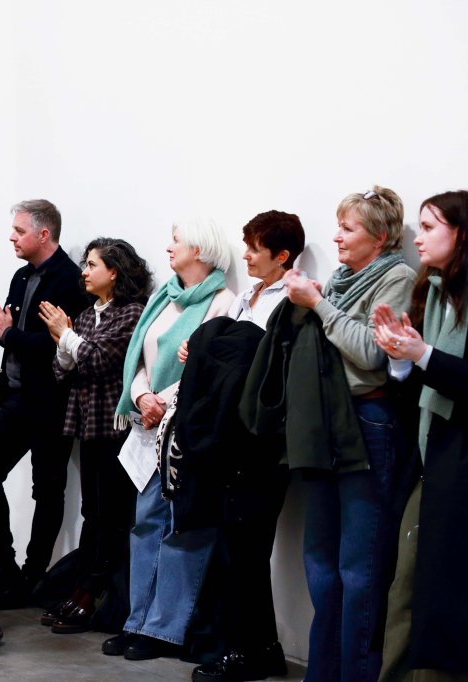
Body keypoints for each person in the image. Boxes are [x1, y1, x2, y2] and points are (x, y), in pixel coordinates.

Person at [282, 186, 414, 681]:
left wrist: (318, 304)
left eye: (348, 228)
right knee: (320, 561)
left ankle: (356, 674)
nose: (336, 237)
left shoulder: (397, 277)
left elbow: (373, 354)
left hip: (367, 422)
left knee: (360, 567)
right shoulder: (339, 280)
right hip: (324, 422)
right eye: (338, 227)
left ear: (378, 237)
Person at [188, 211, 305, 682]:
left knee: (248, 548)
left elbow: (265, 363)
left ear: (283, 255)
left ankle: (245, 652)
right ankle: (260, 648)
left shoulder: (291, 298)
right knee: (238, 546)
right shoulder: (247, 297)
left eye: (256, 248)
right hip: (231, 434)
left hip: (261, 439)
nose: (247, 255)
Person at [111, 218, 235, 661]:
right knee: (145, 523)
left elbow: (207, 369)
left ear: (199, 249)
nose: (169, 247)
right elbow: (141, 358)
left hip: (185, 429)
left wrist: (161, 402)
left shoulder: (223, 302)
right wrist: (142, 396)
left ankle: (164, 629)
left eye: (177, 241)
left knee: (179, 529)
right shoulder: (163, 297)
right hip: (150, 425)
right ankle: (136, 621)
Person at [0, 199, 89, 609]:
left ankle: (33, 576)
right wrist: (4, 334)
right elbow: (12, 333)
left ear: (44, 233)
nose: (12, 237)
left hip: (53, 402)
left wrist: (6, 335)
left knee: (48, 490)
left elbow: (59, 348)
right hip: (17, 398)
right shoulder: (21, 276)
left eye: (20, 231)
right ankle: (4, 565)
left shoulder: (71, 281)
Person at [373, 190, 468, 681]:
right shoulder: (430, 292)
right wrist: (400, 359)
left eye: (430, 227)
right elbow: (420, 390)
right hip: (431, 462)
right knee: (406, 591)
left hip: (458, 465)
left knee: (440, 600)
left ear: (462, 234)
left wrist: (421, 355)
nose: (419, 238)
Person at [38, 237, 152, 633]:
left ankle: (96, 595)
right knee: (93, 512)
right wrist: (66, 344)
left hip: (116, 429)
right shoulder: (87, 315)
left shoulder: (132, 313)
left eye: (92, 265)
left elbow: (100, 359)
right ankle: (84, 590)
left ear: (114, 272)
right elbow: (63, 370)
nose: (84, 272)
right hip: (88, 425)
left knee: (112, 516)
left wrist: (65, 337)